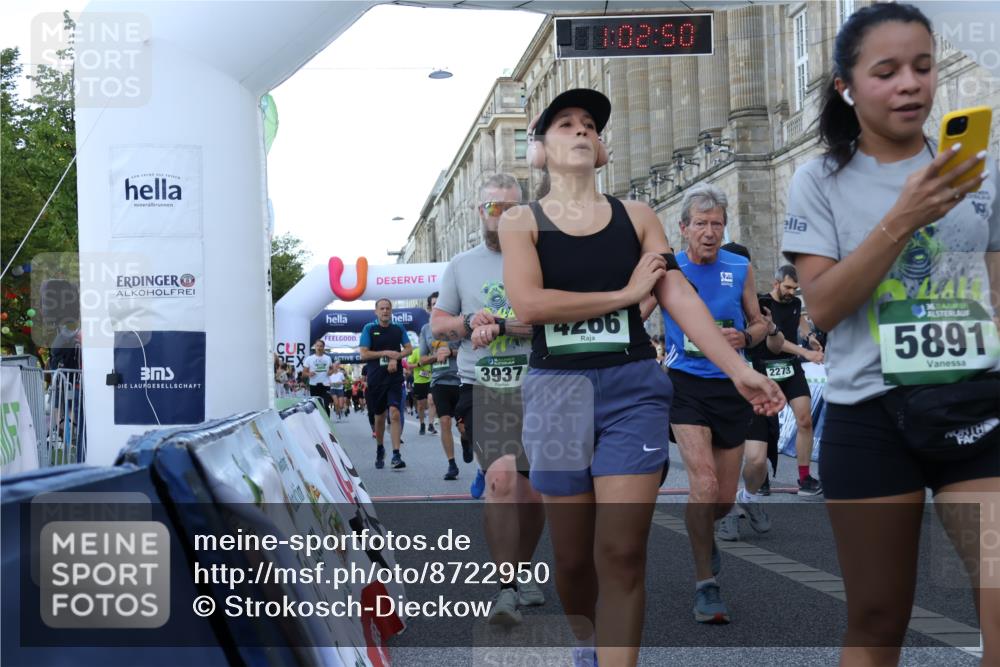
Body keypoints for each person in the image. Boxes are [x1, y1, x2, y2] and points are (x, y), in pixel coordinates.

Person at [500, 90, 783, 665]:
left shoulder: (638, 217)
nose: (580, 131)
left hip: (632, 390)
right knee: (575, 560)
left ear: (602, 150)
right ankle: (587, 641)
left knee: (622, 551)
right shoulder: (519, 221)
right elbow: (529, 305)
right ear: (540, 151)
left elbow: (675, 293)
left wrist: (739, 371)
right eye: (564, 124)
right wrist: (626, 294)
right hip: (558, 394)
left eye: (589, 126)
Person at [781, 4, 999, 665]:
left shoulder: (976, 168)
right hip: (870, 417)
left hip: (976, 412)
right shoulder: (818, 180)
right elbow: (824, 306)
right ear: (847, 88)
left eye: (923, 67)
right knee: (878, 618)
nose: (910, 83)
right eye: (887, 71)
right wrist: (904, 216)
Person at [657, 184, 784, 625]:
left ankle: (706, 530)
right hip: (686, 384)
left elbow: (760, 324)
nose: (710, 233)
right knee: (704, 485)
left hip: (732, 386)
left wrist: (744, 338)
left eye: (717, 225)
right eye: (701, 224)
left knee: (725, 501)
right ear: (684, 228)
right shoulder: (667, 269)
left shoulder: (740, 266)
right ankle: (704, 584)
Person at [432, 172, 548, 627]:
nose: (501, 215)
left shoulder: (543, 259)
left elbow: (554, 323)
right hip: (483, 386)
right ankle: (506, 588)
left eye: (511, 208)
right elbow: (439, 323)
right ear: (480, 212)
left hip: (539, 386)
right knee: (501, 481)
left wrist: (501, 325)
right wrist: (466, 322)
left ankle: (522, 570)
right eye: (493, 207)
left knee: (536, 494)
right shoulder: (462, 264)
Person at [359, 298, 412, 469]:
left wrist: (396, 356)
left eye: (388, 308)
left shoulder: (398, 328)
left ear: (391, 311)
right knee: (380, 417)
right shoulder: (369, 328)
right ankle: (380, 448)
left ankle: (396, 454)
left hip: (395, 378)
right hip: (376, 379)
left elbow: (409, 349)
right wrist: (386, 353)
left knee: (395, 413)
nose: (385, 311)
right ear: (376, 311)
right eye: (381, 308)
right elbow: (364, 355)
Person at [419, 292, 462, 479]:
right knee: (444, 421)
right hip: (439, 381)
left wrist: (451, 352)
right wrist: (436, 356)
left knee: (464, 427)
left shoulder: (459, 324)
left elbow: (471, 350)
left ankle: (467, 443)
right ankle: (452, 464)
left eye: (440, 304)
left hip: (461, 379)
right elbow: (421, 359)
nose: (437, 307)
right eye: (434, 305)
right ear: (429, 308)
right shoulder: (426, 329)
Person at [408, 299, 435, 434]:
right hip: (419, 381)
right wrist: (419, 364)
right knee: (421, 404)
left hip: (432, 379)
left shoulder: (432, 348)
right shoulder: (416, 352)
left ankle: (431, 424)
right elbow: (408, 365)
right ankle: (422, 423)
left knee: (431, 401)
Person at [301, 339, 333, 413]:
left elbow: (331, 370)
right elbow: (303, 373)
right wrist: (309, 374)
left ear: (323, 347)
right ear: (315, 347)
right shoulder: (309, 359)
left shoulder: (328, 358)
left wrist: (330, 372)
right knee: (316, 406)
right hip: (314, 385)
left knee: (325, 404)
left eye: (321, 346)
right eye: (317, 346)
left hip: (325, 384)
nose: (319, 348)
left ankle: (326, 423)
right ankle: (319, 422)